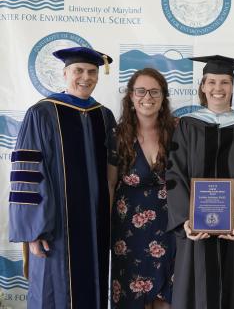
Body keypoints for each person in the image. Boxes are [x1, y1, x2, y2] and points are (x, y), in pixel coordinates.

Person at [8, 46, 115, 308]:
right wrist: (33, 231)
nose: (85, 77)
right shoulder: (42, 113)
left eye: (92, 72)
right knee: (53, 294)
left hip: (95, 229)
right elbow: (27, 176)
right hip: (55, 231)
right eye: (78, 71)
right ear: (65, 73)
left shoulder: (104, 115)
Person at [166, 55, 234, 309]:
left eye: (224, 82)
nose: (218, 88)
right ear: (202, 86)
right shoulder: (187, 126)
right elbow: (174, 174)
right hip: (196, 230)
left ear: (233, 86)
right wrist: (185, 219)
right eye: (211, 81)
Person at [110, 68, 176, 309]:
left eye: (154, 91)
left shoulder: (178, 132)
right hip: (128, 233)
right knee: (131, 299)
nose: (147, 97)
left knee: (167, 298)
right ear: (130, 95)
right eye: (141, 91)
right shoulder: (117, 136)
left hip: (170, 228)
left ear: (163, 97)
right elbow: (109, 184)